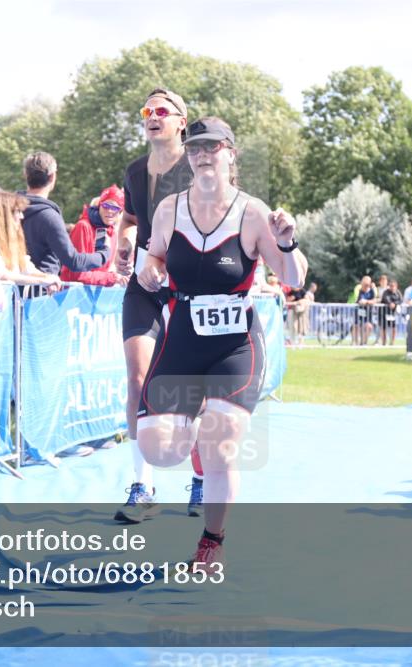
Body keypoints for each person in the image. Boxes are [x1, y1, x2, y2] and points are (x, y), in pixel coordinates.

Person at [136, 117, 308, 570]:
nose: (202, 155)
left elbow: (292, 278)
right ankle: (194, 437)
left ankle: (211, 543)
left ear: (231, 153)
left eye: (212, 147)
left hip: (235, 346)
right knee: (157, 448)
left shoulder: (253, 212)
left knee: (220, 446)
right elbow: (154, 257)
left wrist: (287, 243)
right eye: (195, 148)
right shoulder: (169, 209)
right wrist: (150, 270)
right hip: (182, 339)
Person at [114, 88, 200, 522]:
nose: (152, 116)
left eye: (161, 110)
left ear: (181, 121)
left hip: (190, 286)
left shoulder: (198, 165)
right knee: (138, 378)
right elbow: (130, 219)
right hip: (144, 285)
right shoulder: (134, 171)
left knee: (192, 387)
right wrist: (124, 244)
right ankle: (142, 485)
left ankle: (201, 479)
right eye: (146, 110)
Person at [20, 152, 108, 277]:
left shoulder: (8, 209)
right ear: (52, 177)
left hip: (9, 285)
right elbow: (74, 261)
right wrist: (104, 254)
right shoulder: (49, 217)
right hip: (42, 285)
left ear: (25, 174)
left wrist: (65, 228)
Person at [0, 191, 60, 286]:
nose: (21, 216)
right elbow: (2, 275)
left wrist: (47, 277)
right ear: (3, 214)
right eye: (18, 211)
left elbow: (26, 268)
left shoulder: (10, 240)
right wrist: (43, 281)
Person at [61, 185, 128, 286]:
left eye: (115, 207)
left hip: (95, 291)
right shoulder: (83, 227)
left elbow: (103, 271)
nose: (110, 211)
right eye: (106, 206)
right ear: (99, 206)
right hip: (73, 292)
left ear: (120, 211)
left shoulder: (111, 232)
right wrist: (111, 278)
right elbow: (77, 274)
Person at [353, 275, 377, 345]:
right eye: (364, 284)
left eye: (367, 284)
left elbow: (374, 300)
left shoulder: (372, 291)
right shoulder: (358, 290)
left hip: (368, 313)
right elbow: (358, 300)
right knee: (356, 326)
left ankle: (363, 342)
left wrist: (367, 302)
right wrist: (364, 302)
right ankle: (356, 343)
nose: (365, 286)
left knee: (369, 327)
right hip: (359, 312)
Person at [378, 275, 402, 346]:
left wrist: (394, 303)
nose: (392, 287)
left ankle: (392, 342)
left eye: (394, 286)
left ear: (396, 286)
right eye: (391, 286)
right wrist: (390, 303)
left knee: (394, 328)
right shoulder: (386, 292)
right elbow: (386, 298)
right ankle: (384, 343)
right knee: (383, 328)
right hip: (383, 313)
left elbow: (401, 300)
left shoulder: (398, 292)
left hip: (392, 313)